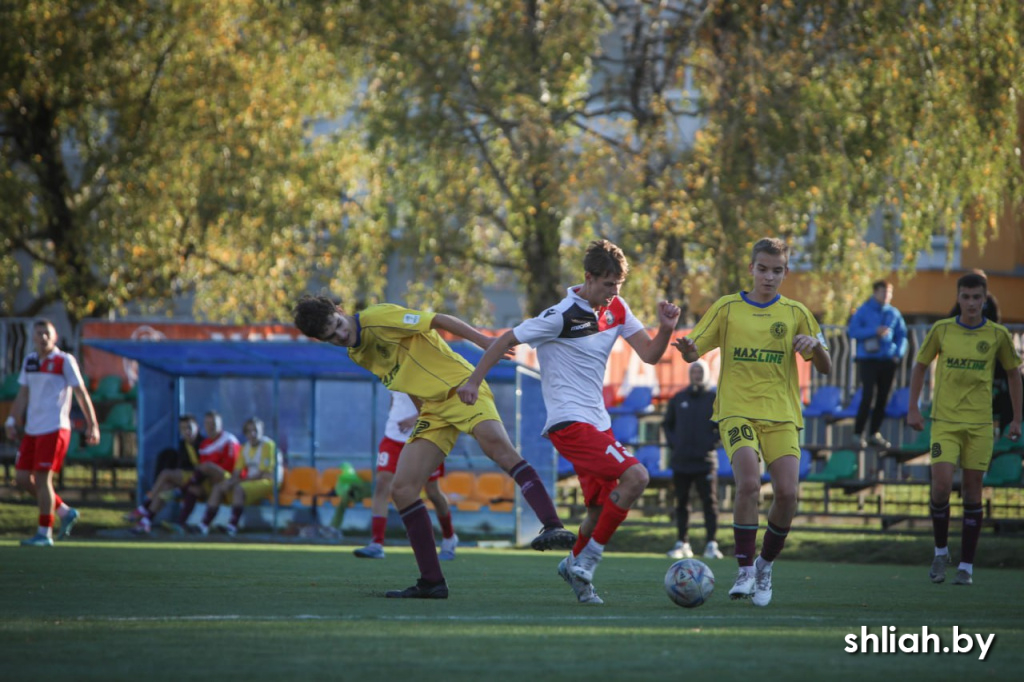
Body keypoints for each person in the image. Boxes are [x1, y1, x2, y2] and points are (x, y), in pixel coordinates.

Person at [292, 295, 575, 599]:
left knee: (499, 450)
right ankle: (432, 582)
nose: (340, 336)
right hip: (433, 412)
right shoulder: (356, 353)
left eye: (338, 326)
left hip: (461, 387)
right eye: (331, 337)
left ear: (340, 311)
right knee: (402, 490)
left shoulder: (378, 317)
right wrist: (420, 415)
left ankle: (551, 524)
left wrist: (484, 341)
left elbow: (437, 319)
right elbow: (404, 379)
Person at [458, 239, 681, 604]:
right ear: (588, 278)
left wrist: (666, 328)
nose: (613, 293)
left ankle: (574, 569)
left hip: (599, 423)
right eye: (608, 285)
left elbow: (652, 355)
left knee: (596, 511)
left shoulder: (617, 309)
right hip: (569, 423)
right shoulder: (560, 316)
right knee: (637, 476)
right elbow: (504, 341)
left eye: (618, 286)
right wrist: (472, 382)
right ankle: (587, 561)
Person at [673, 238, 832, 607]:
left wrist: (816, 348)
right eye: (762, 269)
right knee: (748, 483)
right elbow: (696, 348)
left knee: (788, 494)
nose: (769, 277)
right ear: (751, 269)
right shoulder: (728, 307)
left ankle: (764, 564)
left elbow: (825, 366)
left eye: (777, 271)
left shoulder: (796, 313)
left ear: (785, 273)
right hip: (736, 410)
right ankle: (744, 569)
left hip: (781, 414)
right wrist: (686, 349)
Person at [908, 272, 1022, 586]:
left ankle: (967, 566)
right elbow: (919, 366)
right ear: (958, 298)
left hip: (980, 425)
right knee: (941, 486)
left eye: (976, 297)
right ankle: (941, 551)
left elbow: (1014, 374)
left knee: (973, 492)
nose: (971, 303)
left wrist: (1016, 418)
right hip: (944, 422)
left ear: (985, 300)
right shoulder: (942, 330)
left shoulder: (997, 334)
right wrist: (913, 407)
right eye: (966, 297)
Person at [4, 319, 100, 546]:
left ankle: (44, 533)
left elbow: (81, 393)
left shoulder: (64, 361)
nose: (43, 337)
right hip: (32, 430)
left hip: (55, 428)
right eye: (39, 334)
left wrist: (92, 424)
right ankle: (64, 511)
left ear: (55, 337)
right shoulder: (30, 362)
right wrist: (11, 419)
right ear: (33, 337)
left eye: (47, 333)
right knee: (21, 478)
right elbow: (23, 394)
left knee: (41, 478)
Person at [354, 390, 458, 560]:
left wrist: (415, 419)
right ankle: (376, 543)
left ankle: (449, 538)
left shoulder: (430, 368)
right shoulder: (391, 368)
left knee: (432, 492)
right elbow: (394, 398)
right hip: (393, 438)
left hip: (425, 438)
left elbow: (442, 405)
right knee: (381, 485)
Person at [662, 359, 723, 560]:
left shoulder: (714, 399)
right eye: (694, 371)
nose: (696, 374)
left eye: (700, 371)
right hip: (681, 461)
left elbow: (722, 427)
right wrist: (676, 444)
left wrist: (710, 444)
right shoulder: (679, 398)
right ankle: (682, 542)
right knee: (682, 503)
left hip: (705, 462)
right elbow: (667, 425)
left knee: (710, 503)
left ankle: (712, 544)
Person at [195, 416, 282, 537]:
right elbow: (236, 472)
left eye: (256, 430)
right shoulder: (244, 448)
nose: (253, 434)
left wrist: (236, 482)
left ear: (262, 431)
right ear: (245, 433)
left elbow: (263, 474)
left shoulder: (268, 445)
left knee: (238, 488)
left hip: (269, 482)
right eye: (249, 431)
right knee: (218, 487)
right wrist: (230, 482)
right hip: (250, 482)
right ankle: (203, 525)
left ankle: (232, 527)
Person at [846, 280, 908, 449]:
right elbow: (853, 331)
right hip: (868, 360)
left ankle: (874, 433)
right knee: (868, 396)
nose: (886, 296)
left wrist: (898, 354)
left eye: (889, 292)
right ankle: (858, 434)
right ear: (875, 292)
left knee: (883, 397)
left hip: (888, 360)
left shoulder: (894, 313)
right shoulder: (864, 310)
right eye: (883, 292)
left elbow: (902, 335)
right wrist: (874, 331)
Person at [130, 415, 203, 531]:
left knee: (166, 474)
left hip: (201, 482)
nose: (187, 431)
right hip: (188, 481)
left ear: (197, 428)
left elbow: (201, 470)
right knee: (165, 488)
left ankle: (146, 504)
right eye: (183, 429)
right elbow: (182, 467)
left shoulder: (203, 443)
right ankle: (146, 521)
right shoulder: (183, 445)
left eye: (189, 427)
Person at [171, 410, 240, 532]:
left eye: (214, 423)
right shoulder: (204, 444)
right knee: (194, 489)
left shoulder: (229, 439)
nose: (211, 426)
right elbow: (201, 468)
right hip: (212, 481)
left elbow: (232, 465)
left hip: (229, 478)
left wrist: (212, 472)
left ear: (221, 424)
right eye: (208, 423)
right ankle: (184, 524)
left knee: (207, 466)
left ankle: (181, 490)